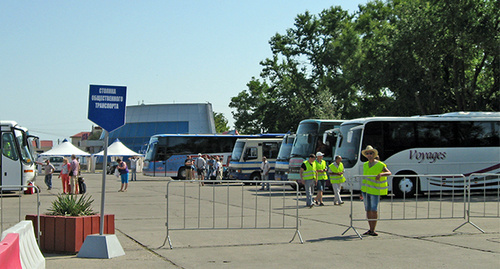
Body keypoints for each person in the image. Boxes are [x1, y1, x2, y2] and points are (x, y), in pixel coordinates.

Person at [360, 145, 391, 236]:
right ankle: (370, 229)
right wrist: (361, 191)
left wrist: (381, 174)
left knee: (374, 209)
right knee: (368, 210)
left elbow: (389, 172)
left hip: (375, 191)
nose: (369, 155)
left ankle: (373, 229)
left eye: (370, 153)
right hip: (366, 190)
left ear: (374, 154)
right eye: (367, 153)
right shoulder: (365, 165)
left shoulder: (380, 164)